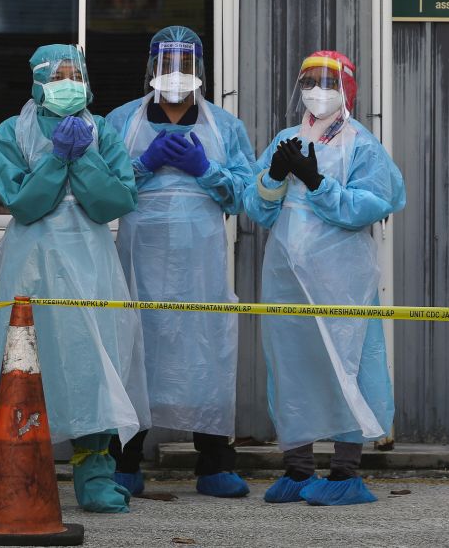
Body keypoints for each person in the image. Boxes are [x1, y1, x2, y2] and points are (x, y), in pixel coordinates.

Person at [0, 44, 151, 513]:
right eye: (57, 73)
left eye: (74, 72)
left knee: (94, 362)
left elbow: (116, 202)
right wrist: (58, 160)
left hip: (92, 261)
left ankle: (95, 474)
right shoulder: (10, 133)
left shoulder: (102, 133)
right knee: (27, 359)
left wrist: (84, 159)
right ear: (37, 80)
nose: (67, 81)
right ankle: (19, 472)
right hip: (33, 264)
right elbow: (24, 203)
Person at [243, 50, 405, 506]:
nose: (317, 90)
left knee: (344, 364)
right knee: (291, 366)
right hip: (285, 275)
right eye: (309, 81)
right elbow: (257, 209)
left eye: (328, 81)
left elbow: (370, 206)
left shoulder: (362, 146)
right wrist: (274, 176)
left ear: (347, 89)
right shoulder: (286, 139)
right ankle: (297, 469)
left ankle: (344, 472)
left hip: (341, 277)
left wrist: (317, 183)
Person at [106, 26, 255, 498]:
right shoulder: (120, 121)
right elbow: (101, 190)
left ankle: (214, 464)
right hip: (138, 262)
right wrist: (143, 164)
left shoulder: (225, 127)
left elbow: (246, 194)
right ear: (151, 67)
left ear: (201, 69)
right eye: (167, 63)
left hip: (202, 266)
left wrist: (206, 170)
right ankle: (124, 463)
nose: (175, 73)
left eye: (186, 64)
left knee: (205, 351)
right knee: (135, 350)